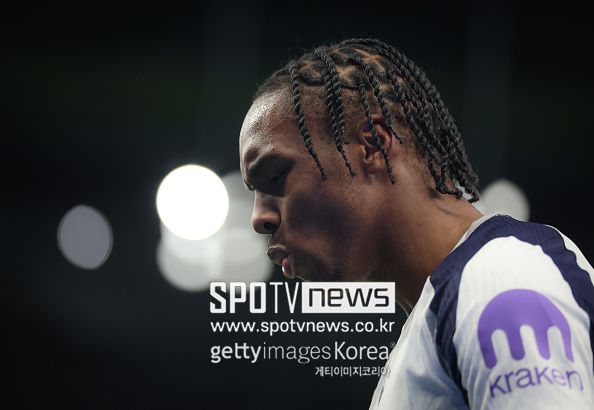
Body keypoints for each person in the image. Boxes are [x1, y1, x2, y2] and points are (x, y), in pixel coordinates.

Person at [238, 38, 594, 409]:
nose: (258, 218)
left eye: (275, 175)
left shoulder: (501, 276)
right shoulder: (431, 323)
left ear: (373, 145)